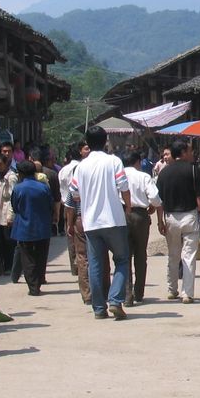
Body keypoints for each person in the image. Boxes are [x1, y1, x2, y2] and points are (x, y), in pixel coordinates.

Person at [73, 126, 131, 320]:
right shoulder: (113, 161)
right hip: (114, 219)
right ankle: (115, 300)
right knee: (122, 260)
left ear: (87, 143)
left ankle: (99, 308)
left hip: (91, 223)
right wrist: (128, 207)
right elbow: (123, 186)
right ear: (105, 140)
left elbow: (74, 194)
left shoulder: (80, 167)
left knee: (95, 265)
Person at [156, 140, 200, 304]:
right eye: (190, 151)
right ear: (183, 152)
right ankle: (187, 293)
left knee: (173, 256)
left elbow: (159, 201)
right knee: (189, 256)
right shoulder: (193, 170)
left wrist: (160, 221)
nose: (192, 153)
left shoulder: (163, 173)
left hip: (171, 217)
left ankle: (172, 290)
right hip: (190, 217)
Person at [123, 150, 161, 306]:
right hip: (140, 216)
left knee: (124, 256)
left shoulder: (117, 176)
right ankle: (139, 293)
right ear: (137, 162)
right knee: (140, 254)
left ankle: (127, 295)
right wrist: (152, 206)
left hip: (122, 214)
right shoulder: (144, 176)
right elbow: (155, 198)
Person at [10, 161, 53, 296]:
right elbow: (50, 205)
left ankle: (33, 286)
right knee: (41, 255)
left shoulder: (18, 188)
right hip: (43, 227)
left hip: (24, 227)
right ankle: (39, 280)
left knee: (27, 257)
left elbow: (15, 207)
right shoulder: (43, 187)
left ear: (21, 174)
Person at [59, 142, 91, 302]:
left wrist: (70, 223)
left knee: (81, 254)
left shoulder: (67, 174)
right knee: (98, 254)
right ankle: (102, 290)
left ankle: (87, 293)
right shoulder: (93, 177)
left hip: (76, 215)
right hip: (95, 219)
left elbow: (69, 200)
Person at [0, 141, 19, 281]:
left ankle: (10, 267)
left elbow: (12, 198)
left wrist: (11, 216)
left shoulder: (11, 177)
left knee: (9, 242)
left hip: (7, 216)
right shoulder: (0, 177)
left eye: (0, 165)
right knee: (2, 242)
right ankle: (4, 266)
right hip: (0, 214)